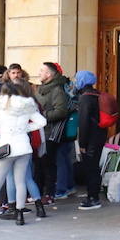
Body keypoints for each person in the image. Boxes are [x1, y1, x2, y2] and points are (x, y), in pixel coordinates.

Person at [0, 79, 46, 226]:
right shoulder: (27, 105)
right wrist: (25, 129)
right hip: (24, 147)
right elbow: (42, 122)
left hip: (6, 147)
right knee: (21, 182)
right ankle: (20, 216)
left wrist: (3, 137)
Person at [74, 71, 116, 210]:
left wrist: (82, 143)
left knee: (90, 168)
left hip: (90, 138)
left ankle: (93, 198)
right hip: (100, 135)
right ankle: (94, 195)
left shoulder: (85, 98)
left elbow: (83, 122)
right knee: (94, 167)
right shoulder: (97, 94)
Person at [35, 62, 71, 203]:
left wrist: (43, 116)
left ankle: (49, 193)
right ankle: (38, 192)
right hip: (39, 132)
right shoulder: (40, 89)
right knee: (38, 164)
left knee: (48, 164)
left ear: (49, 74)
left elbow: (61, 111)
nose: (39, 73)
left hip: (51, 133)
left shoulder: (57, 90)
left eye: (42, 70)